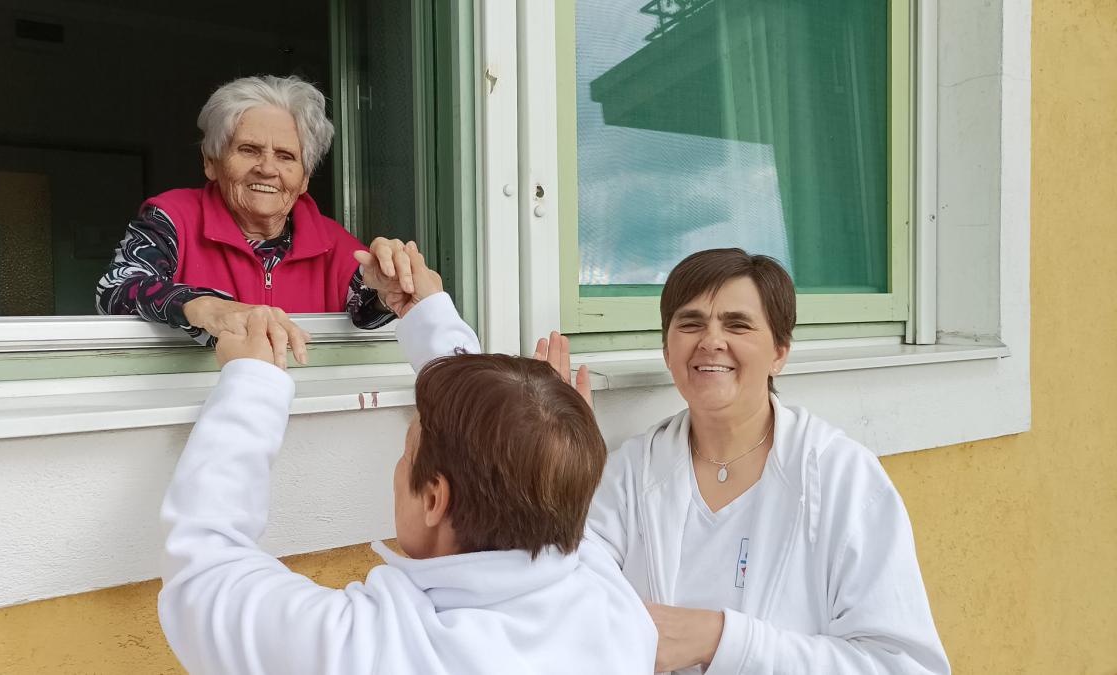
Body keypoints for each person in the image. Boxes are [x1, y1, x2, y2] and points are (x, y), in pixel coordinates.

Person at [157, 243, 657, 674]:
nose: (399, 467)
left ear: (435, 499)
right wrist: (430, 317)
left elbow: (203, 573)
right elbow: (560, 515)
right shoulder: (614, 609)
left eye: (406, 452)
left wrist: (251, 383)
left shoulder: (370, 650)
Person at [561, 249, 950, 674]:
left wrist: (722, 641)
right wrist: (558, 462)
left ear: (780, 352)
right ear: (667, 350)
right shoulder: (630, 473)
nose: (710, 341)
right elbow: (565, 603)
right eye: (690, 323)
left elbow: (903, 666)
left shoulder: (844, 478)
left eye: (737, 325)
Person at [97, 75, 414, 363]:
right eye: (249, 150)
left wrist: (390, 290)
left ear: (304, 178)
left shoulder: (333, 243)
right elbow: (116, 289)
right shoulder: (172, 218)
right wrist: (205, 307)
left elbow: (365, 311)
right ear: (211, 162)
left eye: (286, 156)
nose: (267, 168)